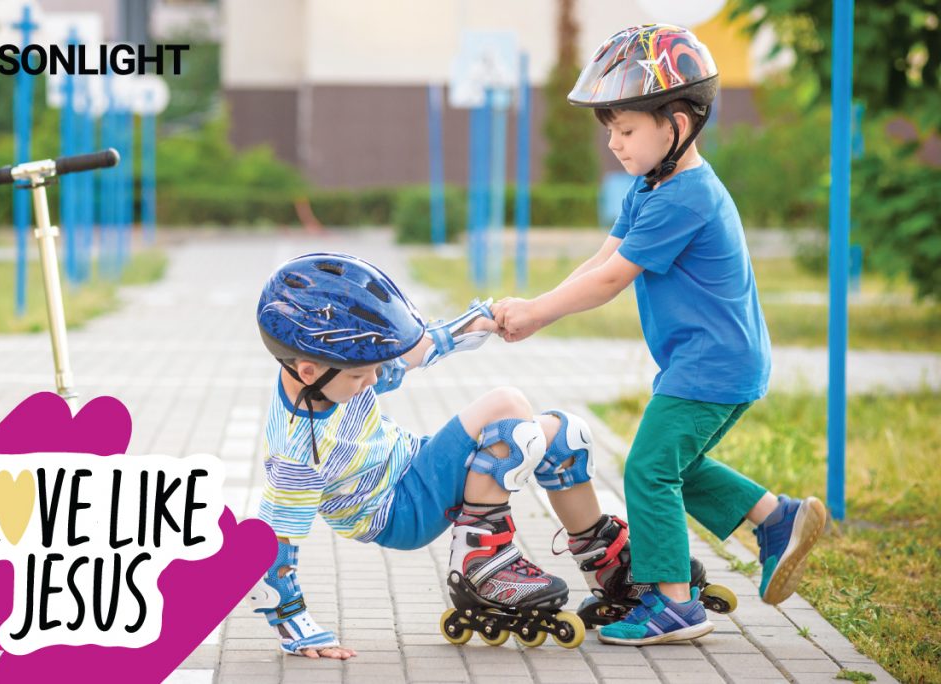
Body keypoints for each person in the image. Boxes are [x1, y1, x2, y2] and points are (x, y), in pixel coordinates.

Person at [492, 24, 827, 646]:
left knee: (649, 467)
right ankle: (776, 518)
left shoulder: (685, 197)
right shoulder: (652, 187)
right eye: (610, 132)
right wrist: (531, 306)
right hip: (712, 363)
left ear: (675, 123)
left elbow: (612, 281)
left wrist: (539, 314)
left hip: (712, 366)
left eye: (626, 131)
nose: (614, 144)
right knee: (679, 464)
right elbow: (601, 260)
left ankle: (675, 603)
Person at [248, 252, 630, 658]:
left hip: (413, 465)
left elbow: (417, 351)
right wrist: (298, 631)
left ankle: (609, 567)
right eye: (362, 376)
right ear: (308, 372)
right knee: (507, 407)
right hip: (397, 511)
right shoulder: (296, 454)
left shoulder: (331, 372)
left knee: (562, 435)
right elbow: (274, 547)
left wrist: (480, 320)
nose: (375, 381)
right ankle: (484, 566)